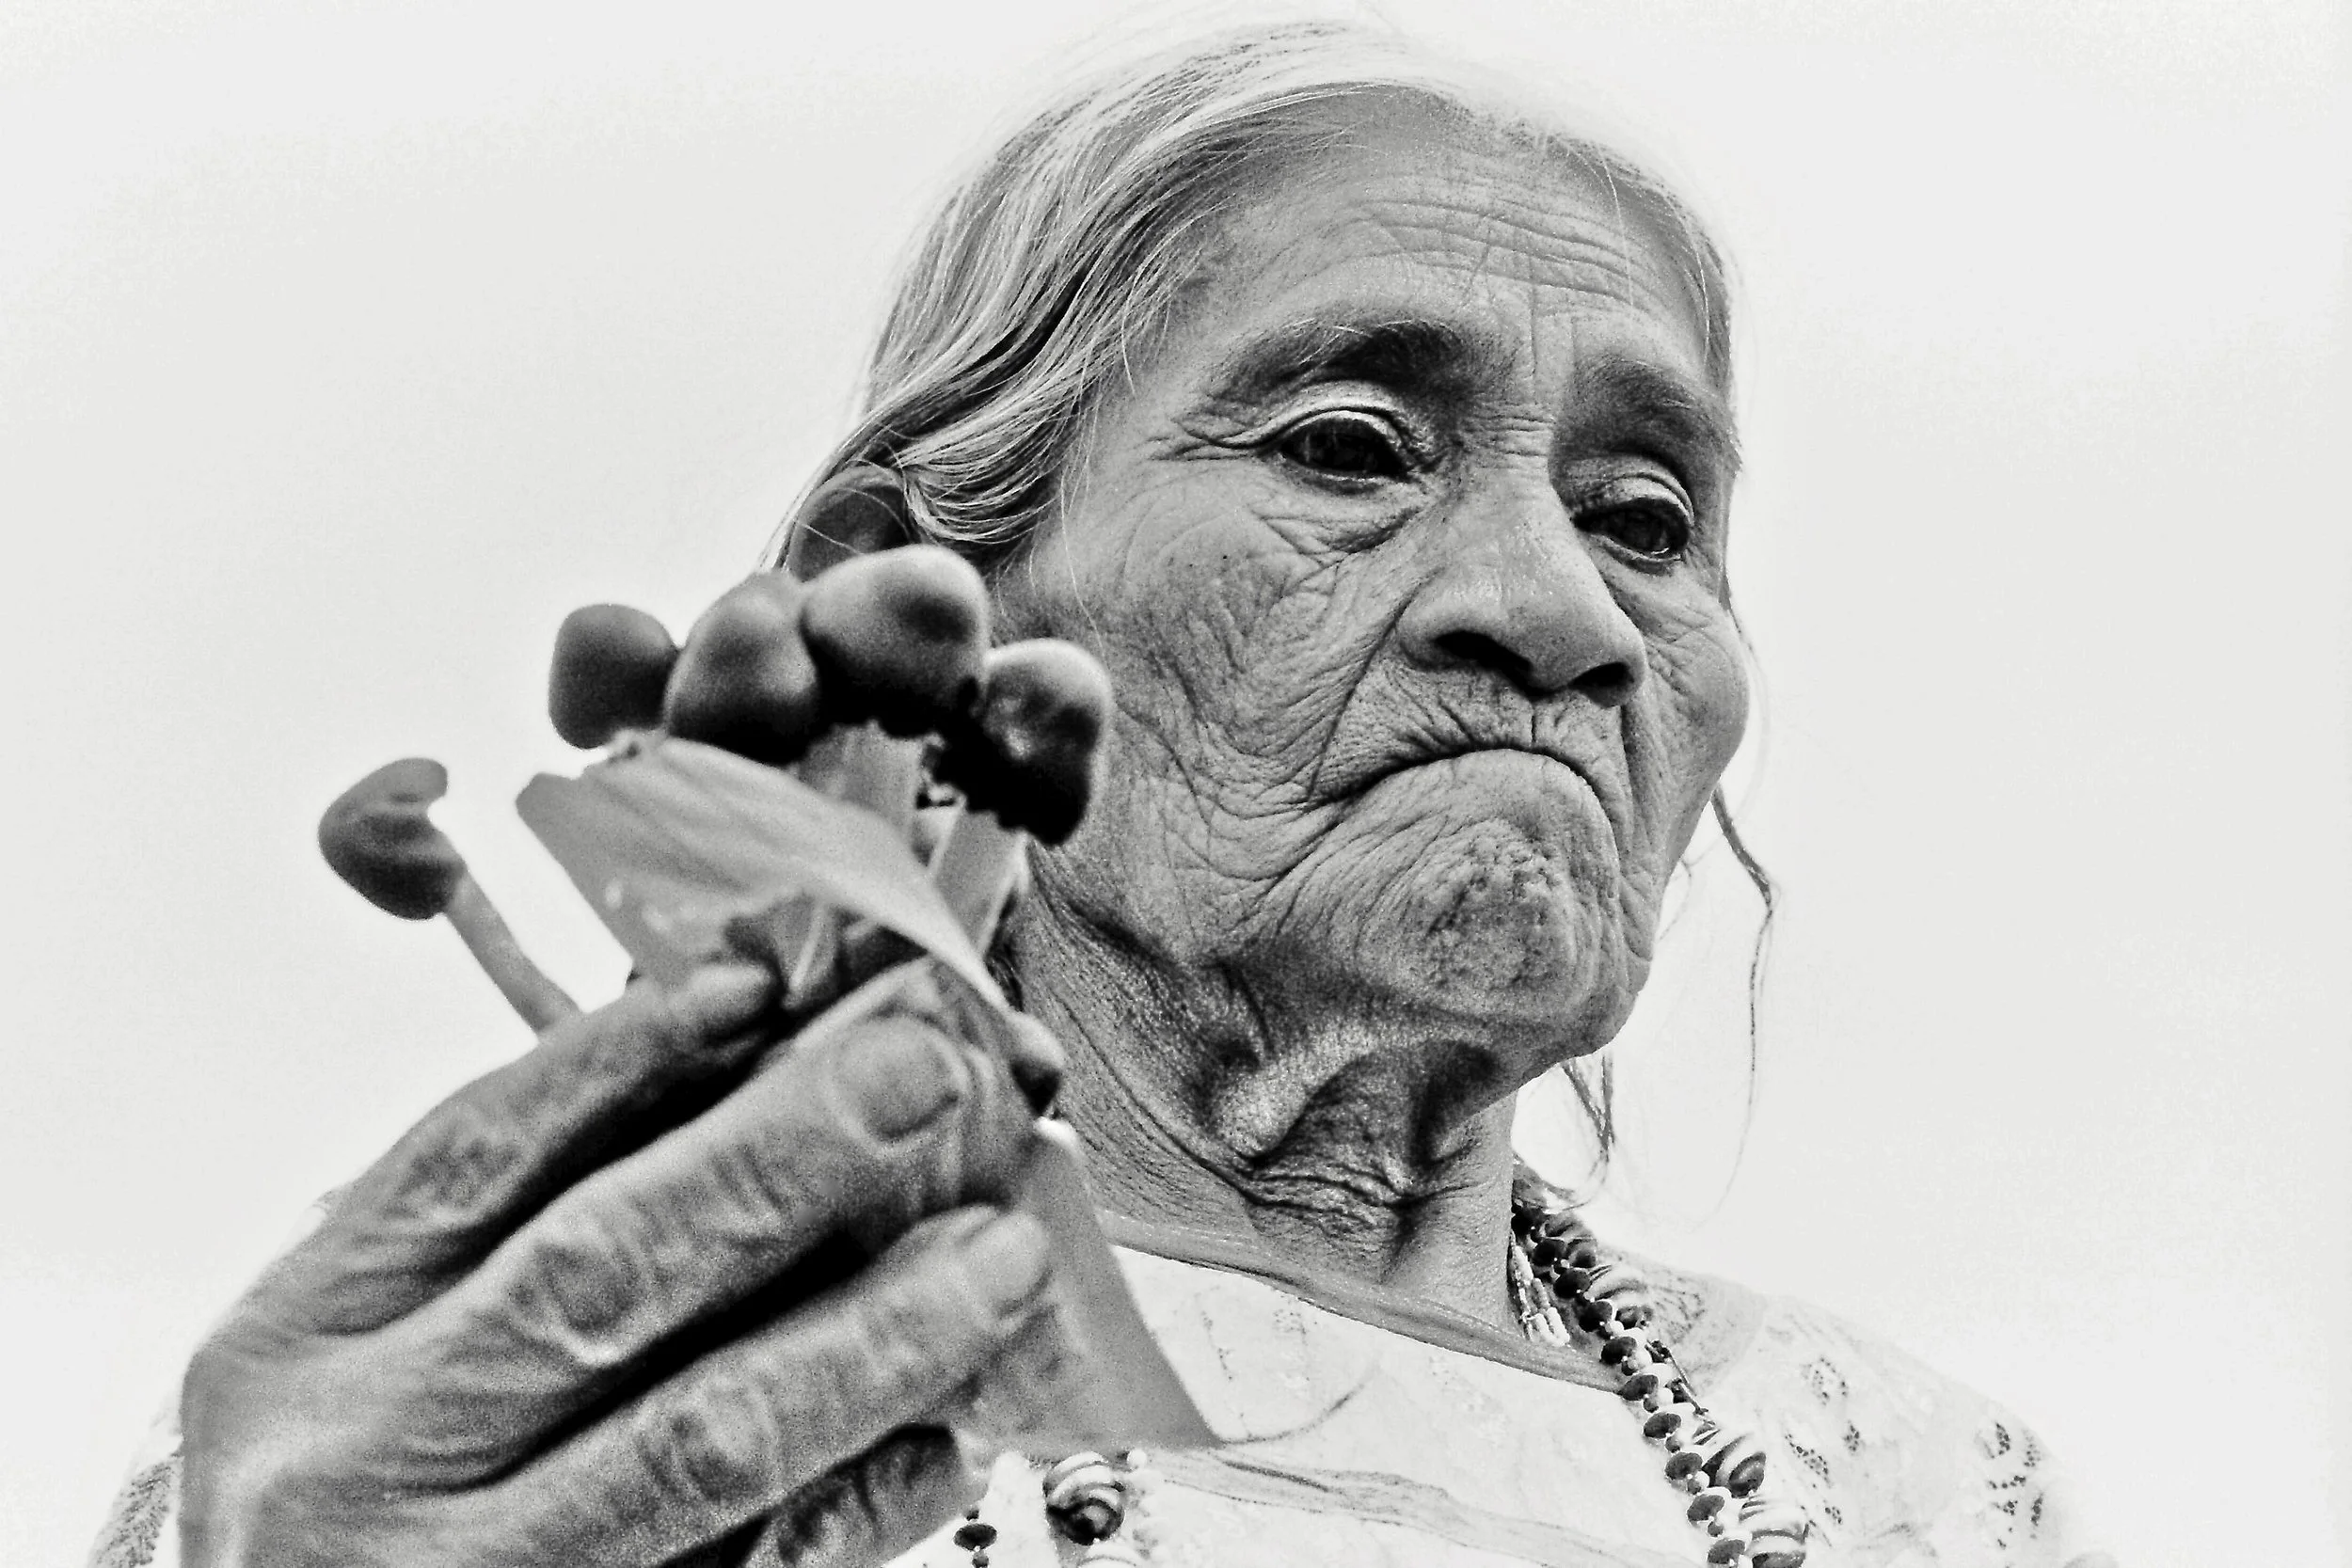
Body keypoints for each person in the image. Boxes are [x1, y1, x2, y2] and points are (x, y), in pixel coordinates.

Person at [90, 21, 2111, 1568]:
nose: (1555, 605)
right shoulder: (532, 1389)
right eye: (1346, 445)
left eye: (1646, 515)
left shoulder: (1916, 1484)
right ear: (934, 607)